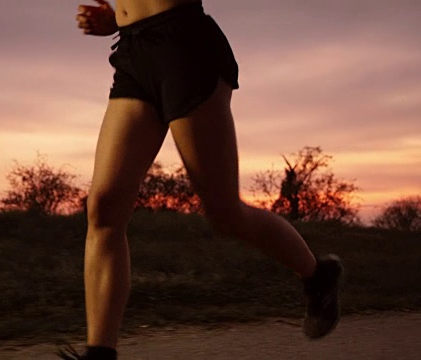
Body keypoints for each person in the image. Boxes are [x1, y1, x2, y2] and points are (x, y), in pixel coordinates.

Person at [58, 1, 344, 359]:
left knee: (224, 213)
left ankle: (318, 275)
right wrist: (118, 17)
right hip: (134, 50)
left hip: (186, 45)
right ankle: (100, 354)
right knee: (103, 208)